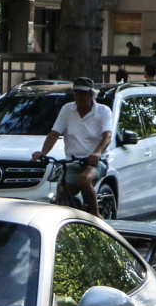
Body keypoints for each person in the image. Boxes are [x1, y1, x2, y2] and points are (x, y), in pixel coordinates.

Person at [31, 77, 114, 217]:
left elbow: (108, 137)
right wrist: (42, 153)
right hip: (73, 162)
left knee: (84, 179)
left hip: (95, 161)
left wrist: (97, 152)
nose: (79, 97)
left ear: (90, 94)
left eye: (83, 93)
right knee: (61, 192)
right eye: (76, 93)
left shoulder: (103, 111)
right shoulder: (67, 109)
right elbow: (54, 134)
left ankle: (96, 216)